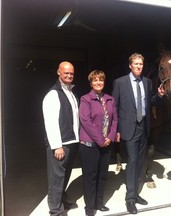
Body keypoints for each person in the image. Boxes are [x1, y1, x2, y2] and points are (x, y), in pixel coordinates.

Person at [112, 53, 165, 214]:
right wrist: (116, 130)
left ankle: (135, 195)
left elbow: (150, 103)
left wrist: (159, 96)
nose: (138, 66)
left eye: (141, 64)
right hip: (129, 128)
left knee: (140, 162)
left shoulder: (147, 82)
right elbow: (114, 107)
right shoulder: (120, 82)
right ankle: (130, 199)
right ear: (130, 65)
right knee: (133, 161)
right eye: (135, 64)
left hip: (144, 127)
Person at [79, 70, 118, 216]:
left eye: (100, 80)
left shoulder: (110, 99)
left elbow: (115, 119)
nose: (98, 82)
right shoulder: (85, 99)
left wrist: (111, 137)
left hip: (106, 144)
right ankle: (89, 208)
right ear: (91, 83)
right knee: (90, 176)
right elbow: (86, 122)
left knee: (102, 175)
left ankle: (99, 203)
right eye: (95, 80)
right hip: (89, 145)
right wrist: (101, 140)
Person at [42, 61, 79, 216]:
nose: (69, 75)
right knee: (56, 178)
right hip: (61, 144)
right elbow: (50, 121)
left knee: (65, 176)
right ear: (58, 72)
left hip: (71, 142)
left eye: (71, 73)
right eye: (66, 73)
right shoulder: (53, 94)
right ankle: (55, 210)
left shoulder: (70, 92)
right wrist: (57, 146)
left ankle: (62, 201)